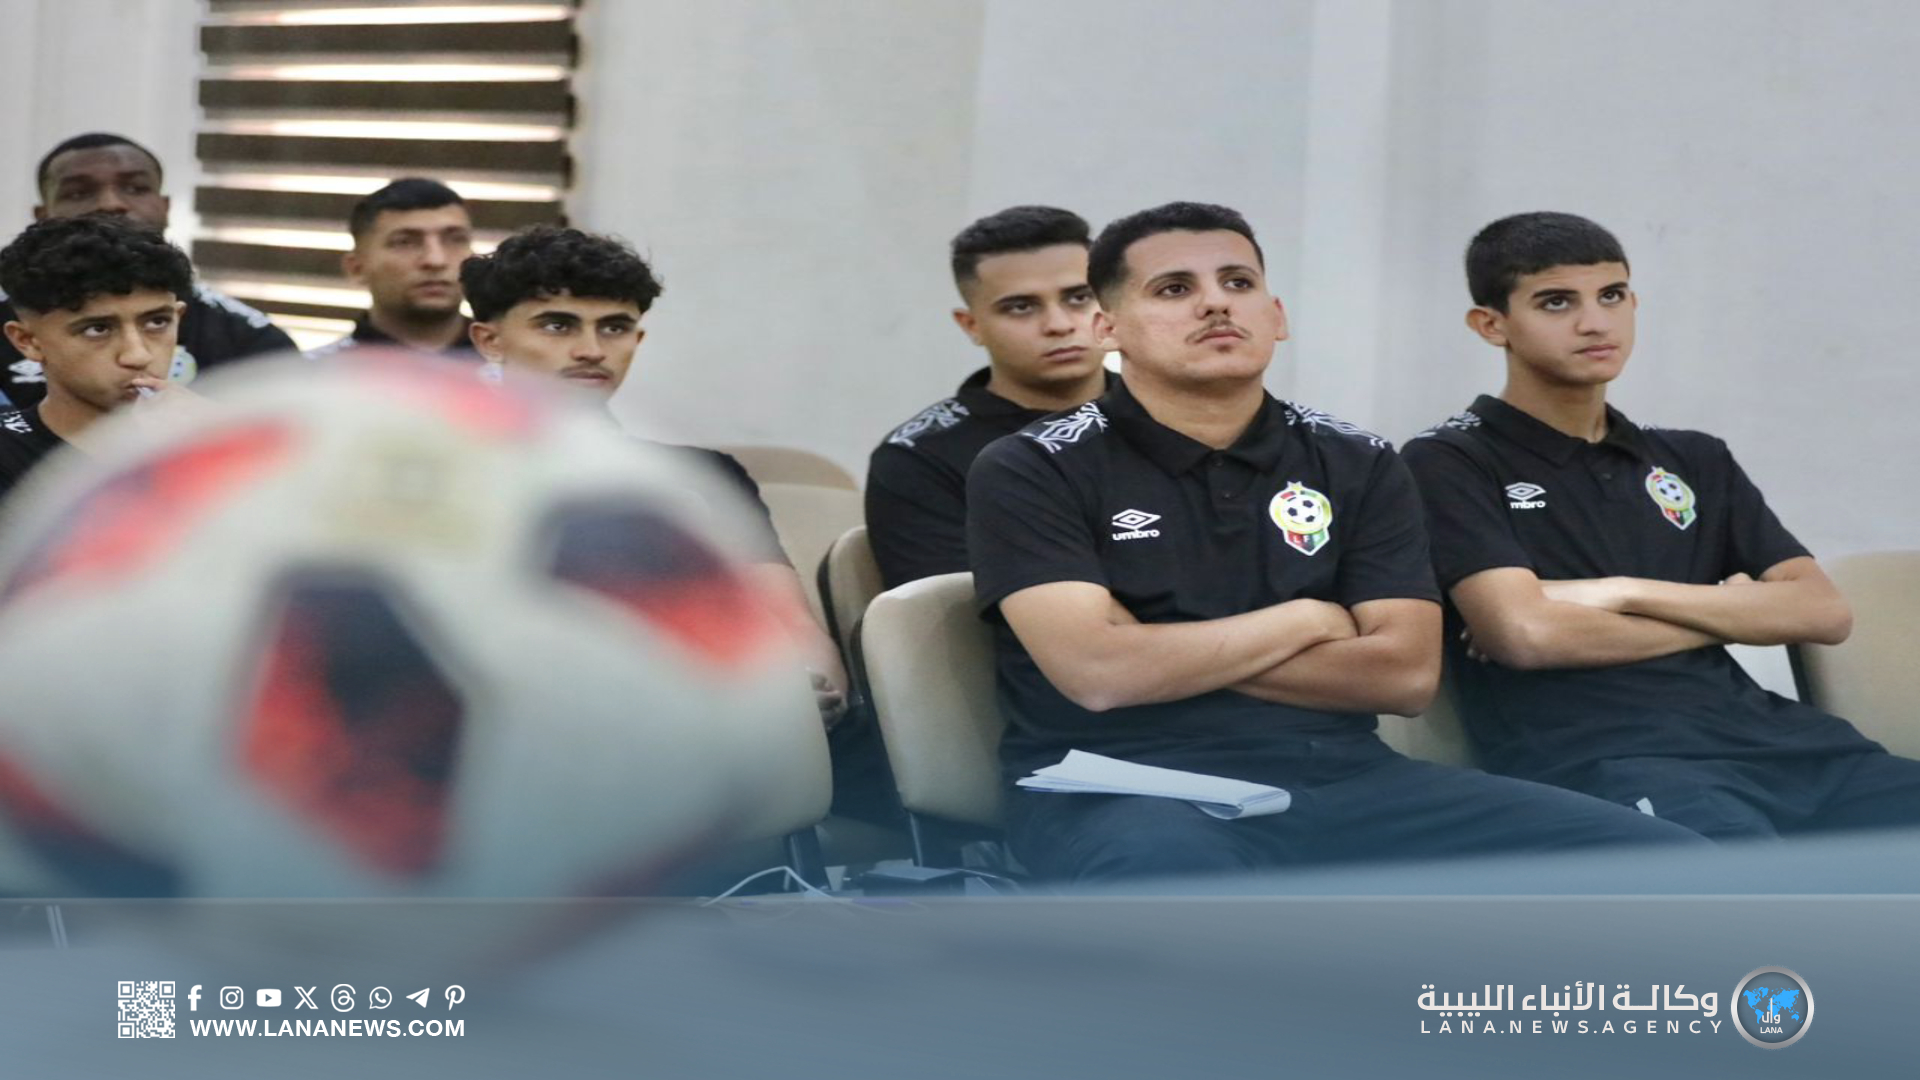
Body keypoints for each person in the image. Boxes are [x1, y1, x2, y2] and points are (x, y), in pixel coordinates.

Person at [966, 201, 1703, 884]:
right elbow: (1101, 674)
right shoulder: (1032, 466)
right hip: (1127, 786)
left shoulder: (1359, 460)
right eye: (1174, 289)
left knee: (1668, 866)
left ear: (1277, 316)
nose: (1216, 303)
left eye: (1238, 282)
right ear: (1106, 328)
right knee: (1188, 895)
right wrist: (1307, 620)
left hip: (1345, 778)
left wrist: (1159, 646)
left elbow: (1403, 677)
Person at [1400, 211, 1920, 839]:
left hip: (1797, 749)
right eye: (1556, 302)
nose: (1595, 322)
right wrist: (1730, 614)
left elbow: (1823, 613)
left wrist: (1620, 592)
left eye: (1612, 295)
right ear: (1492, 324)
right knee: (1751, 890)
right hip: (1614, 762)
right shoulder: (1448, 459)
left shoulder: (1695, 457)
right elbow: (1526, 634)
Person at [459, 225, 855, 738]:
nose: (591, 349)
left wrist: (813, 692)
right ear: (489, 340)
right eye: (557, 326)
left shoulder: (703, 477)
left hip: (718, 735)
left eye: (615, 328)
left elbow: (789, 624)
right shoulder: (450, 473)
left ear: (638, 339)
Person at [865, 206, 1112, 589]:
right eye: (1021, 307)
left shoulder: (1176, 411)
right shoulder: (918, 457)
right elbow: (959, 614)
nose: (1059, 324)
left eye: (1079, 297)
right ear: (971, 325)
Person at [1, 132, 292, 409]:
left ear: (165, 207)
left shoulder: (248, 338)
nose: (111, 203)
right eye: (79, 193)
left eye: (135, 188)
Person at [0, 214, 196, 498]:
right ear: (28, 341)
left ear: (178, 317)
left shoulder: (213, 447)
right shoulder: (9, 461)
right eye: (98, 329)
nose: (138, 356)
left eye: (157, 322)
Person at [308, 178, 478, 360]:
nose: (436, 260)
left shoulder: (501, 369)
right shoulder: (308, 375)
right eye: (405, 242)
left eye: (456, 239)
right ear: (356, 268)